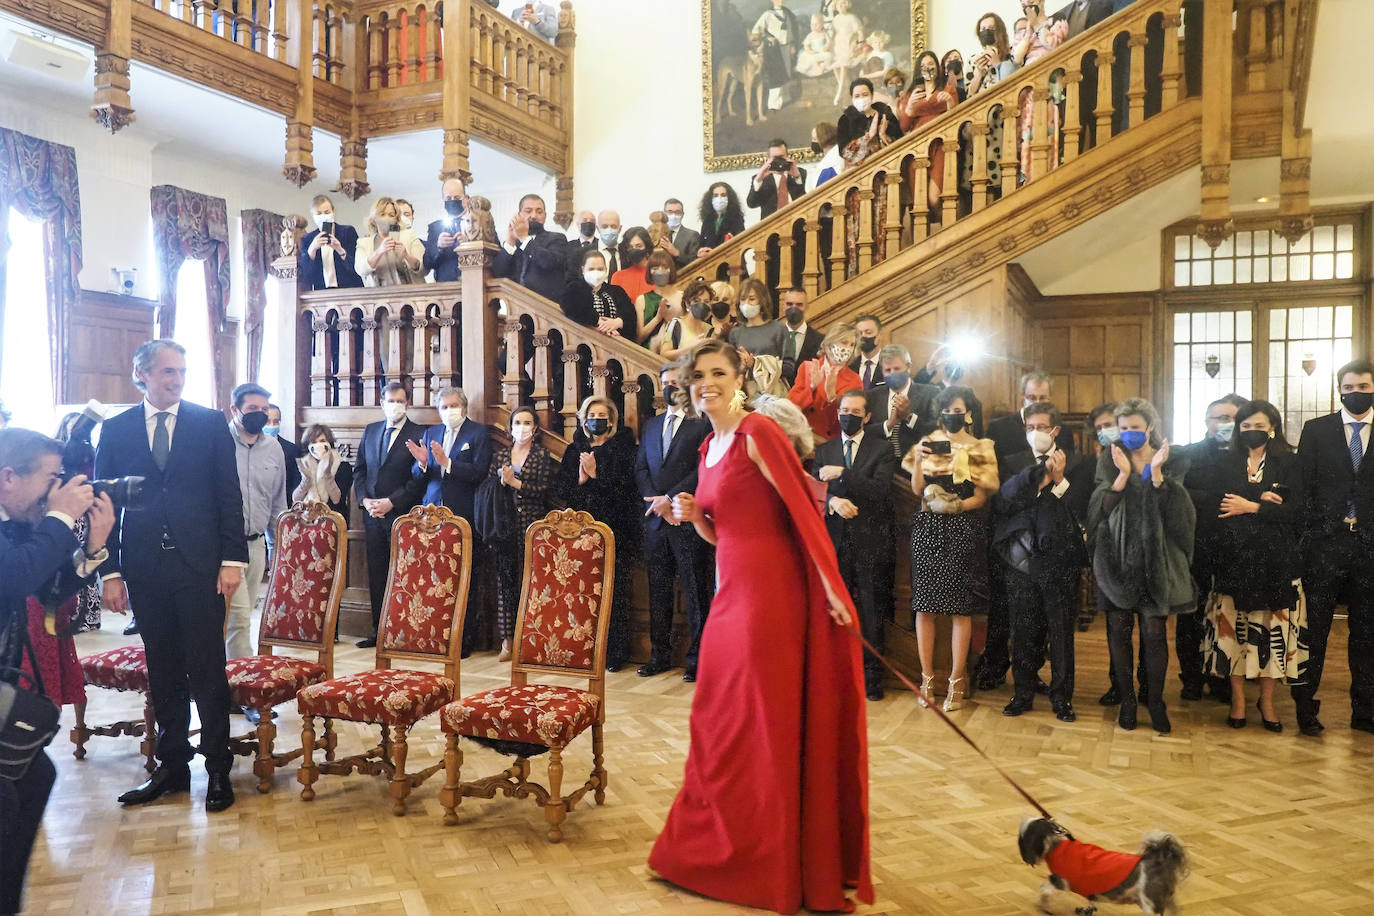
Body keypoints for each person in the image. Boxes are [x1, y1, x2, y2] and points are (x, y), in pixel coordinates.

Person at [649, 338, 871, 912]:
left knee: (763, 725)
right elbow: (722, 534)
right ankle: (720, 846)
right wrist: (695, 515)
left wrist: (829, 587)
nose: (707, 384)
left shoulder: (759, 433)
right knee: (719, 720)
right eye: (698, 376)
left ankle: (771, 863)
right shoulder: (706, 449)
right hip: (732, 593)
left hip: (773, 598)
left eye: (718, 373)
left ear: (738, 375)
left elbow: (802, 509)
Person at [95, 339, 247, 812]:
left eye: (181, 371)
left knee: (206, 669)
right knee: (163, 670)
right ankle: (173, 767)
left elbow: (228, 494)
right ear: (140, 374)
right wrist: (110, 572)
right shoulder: (117, 430)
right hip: (144, 568)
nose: (176, 380)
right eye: (167, 372)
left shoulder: (208, 423)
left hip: (200, 568)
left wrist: (231, 560)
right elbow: (104, 506)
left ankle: (218, 768)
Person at [0, 428, 113, 915]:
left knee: (33, 777)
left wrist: (92, 551)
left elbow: (44, 587)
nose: (55, 491)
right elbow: (14, 576)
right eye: (50, 480)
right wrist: (61, 516)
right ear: (9, 478)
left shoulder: (18, 524)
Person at [1087, 398, 1194, 735]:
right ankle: (1129, 699)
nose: (1129, 433)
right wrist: (1121, 477)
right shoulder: (1111, 456)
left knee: (1154, 632)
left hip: (1156, 559)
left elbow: (1180, 515)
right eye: (1123, 428)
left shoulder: (1172, 457)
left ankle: (1156, 700)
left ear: (1149, 426)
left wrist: (1158, 475)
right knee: (1118, 632)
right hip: (1117, 556)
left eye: (1135, 427)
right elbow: (1099, 508)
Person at [1203, 399, 1305, 732]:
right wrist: (1263, 503)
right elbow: (1220, 507)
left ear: (1272, 427)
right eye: (1245, 426)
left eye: (1258, 426)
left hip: (1276, 563)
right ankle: (1238, 700)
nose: (1251, 431)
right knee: (1234, 636)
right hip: (1234, 561)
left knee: (1271, 635)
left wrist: (1251, 506)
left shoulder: (1289, 463)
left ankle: (1268, 701)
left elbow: (1295, 514)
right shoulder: (1225, 462)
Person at [993, 402, 1091, 722]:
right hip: (1021, 559)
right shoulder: (1012, 462)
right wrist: (1037, 481)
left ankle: (1062, 697)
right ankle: (1022, 692)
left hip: (1061, 560)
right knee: (1023, 630)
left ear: (1055, 431)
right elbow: (1004, 502)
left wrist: (1060, 481)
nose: (1035, 432)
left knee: (1061, 632)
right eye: (1030, 427)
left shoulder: (1078, 463)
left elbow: (1082, 508)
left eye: (1042, 427)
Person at [905, 385, 998, 712]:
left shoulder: (981, 446)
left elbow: (982, 496)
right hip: (928, 528)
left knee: (961, 607)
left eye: (957, 410)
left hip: (963, 528)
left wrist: (956, 507)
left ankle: (957, 682)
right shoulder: (929, 441)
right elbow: (917, 489)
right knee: (924, 605)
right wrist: (918, 459)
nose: (951, 415)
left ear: (969, 413)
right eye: (946, 410)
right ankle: (927, 678)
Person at [1294, 359, 1374, 735]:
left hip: (1371, 547)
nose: (1356, 393)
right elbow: (1303, 486)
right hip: (1325, 544)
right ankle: (1306, 709)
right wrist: (1315, 532)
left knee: (1367, 633)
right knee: (1316, 629)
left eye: (1364, 386)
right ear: (1338, 390)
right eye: (1349, 387)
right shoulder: (1317, 430)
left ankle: (1366, 711)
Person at [813, 389, 898, 700]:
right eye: (844, 410)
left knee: (872, 611)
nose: (849, 415)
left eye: (855, 411)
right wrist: (833, 500)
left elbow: (880, 489)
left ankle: (872, 678)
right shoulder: (825, 450)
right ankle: (837, 674)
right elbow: (814, 491)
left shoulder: (882, 449)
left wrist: (844, 475)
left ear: (867, 417)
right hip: (834, 542)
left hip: (870, 541)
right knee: (836, 610)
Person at [636, 364, 714, 681]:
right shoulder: (652, 425)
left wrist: (669, 497)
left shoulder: (701, 423)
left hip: (685, 518)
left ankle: (698, 659)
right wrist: (656, 501)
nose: (670, 387)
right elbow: (641, 468)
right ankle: (659, 656)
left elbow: (702, 468)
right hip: (655, 522)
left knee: (695, 590)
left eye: (675, 382)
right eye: (664, 382)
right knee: (658, 591)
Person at [557, 395, 642, 672]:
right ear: (584, 419)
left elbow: (628, 490)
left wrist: (597, 476)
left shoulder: (624, 448)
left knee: (614, 593)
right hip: (581, 533)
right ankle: (585, 651)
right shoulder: (575, 450)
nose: (597, 419)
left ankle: (614, 653)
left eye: (603, 414)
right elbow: (563, 492)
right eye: (592, 414)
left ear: (612, 419)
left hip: (615, 530)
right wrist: (581, 481)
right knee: (583, 593)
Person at [408, 387, 492, 657]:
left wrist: (448, 463)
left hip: (464, 515)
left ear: (464, 408)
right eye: (444, 406)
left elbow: (479, 472)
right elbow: (421, 476)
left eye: (454, 405)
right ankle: (435, 635)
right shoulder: (431, 433)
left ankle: (463, 640)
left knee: (465, 578)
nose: (449, 411)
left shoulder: (477, 433)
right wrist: (422, 464)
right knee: (435, 576)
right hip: (431, 516)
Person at [1178, 394, 1247, 702]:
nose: (1224, 423)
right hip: (1196, 548)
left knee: (1228, 618)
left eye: (1230, 418)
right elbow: (1179, 497)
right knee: (1191, 616)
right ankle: (1191, 677)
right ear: (1206, 422)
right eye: (1217, 417)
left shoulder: (1248, 455)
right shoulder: (1187, 455)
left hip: (1237, 549)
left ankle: (1223, 677)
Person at [352, 380, 425, 649]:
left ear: (407, 403)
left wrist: (391, 502)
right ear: (382, 403)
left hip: (402, 515)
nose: (395, 405)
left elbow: (418, 479)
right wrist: (365, 500)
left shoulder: (419, 433)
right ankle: (378, 631)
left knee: (404, 574)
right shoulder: (371, 431)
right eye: (390, 401)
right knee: (377, 572)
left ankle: (404, 631)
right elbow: (360, 470)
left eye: (400, 400)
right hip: (372, 515)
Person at [224, 383, 287, 678]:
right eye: (252, 409)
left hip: (257, 544)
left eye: (264, 409)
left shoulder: (273, 447)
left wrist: (278, 549)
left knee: (245, 615)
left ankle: (226, 680)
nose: (259, 415)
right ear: (235, 409)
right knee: (237, 619)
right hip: (224, 548)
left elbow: (277, 501)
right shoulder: (218, 442)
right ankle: (241, 687)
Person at [486, 406, 556, 661]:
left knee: (533, 582)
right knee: (506, 582)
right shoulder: (501, 455)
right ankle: (508, 641)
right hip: (504, 525)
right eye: (518, 422)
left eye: (528, 422)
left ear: (535, 428)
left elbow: (545, 490)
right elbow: (489, 488)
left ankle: (532, 639)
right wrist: (502, 483)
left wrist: (518, 484)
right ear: (510, 427)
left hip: (532, 524)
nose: (522, 427)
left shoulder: (541, 455)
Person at [53, 411, 104, 633]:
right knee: (67, 563)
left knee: (88, 561)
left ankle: (90, 615)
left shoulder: (90, 452)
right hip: (64, 511)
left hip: (85, 511)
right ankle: (70, 612)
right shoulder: (55, 454)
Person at [964, 13, 1019, 199]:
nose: (986, 32)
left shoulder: (1009, 59)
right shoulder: (973, 60)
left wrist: (997, 65)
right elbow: (968, 96)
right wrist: (978, 73)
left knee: (999, 180)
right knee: (979, 180)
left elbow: (1009, 90)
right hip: (979, 125)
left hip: (1001, 125)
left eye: (990, 28)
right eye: (982, 29)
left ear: (999, 31)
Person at [1013, 3, 1068, 182]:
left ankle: (1047, 175)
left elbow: (1053, 44)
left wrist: (1038, 26)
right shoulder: (1023, 32)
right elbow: (1017, 57)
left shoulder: (1056, 23)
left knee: (1049, 131)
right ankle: (1029, 177)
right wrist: (1029, 33)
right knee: (1029, 133)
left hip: (1050, 87)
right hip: (1030, 90)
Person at [866, 344, 939, 467]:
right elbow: (866, 432)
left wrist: (909, 417)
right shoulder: (872, 396)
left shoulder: (931, 393)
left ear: (908, 367)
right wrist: (888, 425)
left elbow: (936, 433)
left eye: (897, 369)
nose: (892, 373)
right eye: (888, 370)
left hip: (915, 465)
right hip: (879, 465)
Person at [788, 323, 862, 442]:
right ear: (830, 342)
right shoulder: (808, 368)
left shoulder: (854, 380)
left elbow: (847, 423)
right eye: (844, 342)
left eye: (852, 345)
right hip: (801, 440)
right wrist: (812, 387)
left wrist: (831, 397)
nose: (848, 348)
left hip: (828, 444)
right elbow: (791, 407)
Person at [902, 53, 957, 208]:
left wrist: (949, 102)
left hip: (940, 144)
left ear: (938, 67)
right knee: (920, 202)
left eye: (931, 64)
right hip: (917, 147)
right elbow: (904, 127)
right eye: (923, 65)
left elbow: (956, 118)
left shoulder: (948, 89)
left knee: (934, 198)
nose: (927, 68)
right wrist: (910, 108)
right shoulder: (911, 94)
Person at [492, 194, 568, 302]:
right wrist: (510, 241)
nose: (534, 216)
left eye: (539, 211)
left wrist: (524, 238)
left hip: (547, 307)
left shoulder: (557, 238)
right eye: (528, 211)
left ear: (545, 216)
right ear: (519, 215)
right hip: (516, 306)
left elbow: (548, 262)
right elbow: (498, 272)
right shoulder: (514, 244)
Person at [988, 371, 1075, 465]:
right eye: (1032, 397)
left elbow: (1070, 467)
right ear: (1023, 397)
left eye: (1042, 398)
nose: (1037, 403)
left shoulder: (1063, 431)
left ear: (1050, 398)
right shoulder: (999, 428)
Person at [561, 248, 638, 340]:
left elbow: (630, 314)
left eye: (600, 269)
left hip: (616, 345)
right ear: (583, 269)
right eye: (591, 269)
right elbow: (570, 306)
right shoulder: (574, 288)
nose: (595, 272)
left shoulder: (617, 291)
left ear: (606, 269)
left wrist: (618, 322)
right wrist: (597, 321)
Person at [355, 196, 424, 286]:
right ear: (373, 218)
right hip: (379, 297)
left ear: (396, 219)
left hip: (410, 295)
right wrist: (379, 252)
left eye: (391, 215)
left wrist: (406, 255)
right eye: (382, 214)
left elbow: (423, 269)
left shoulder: (409, 235)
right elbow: (361, 270)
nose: (387, 218)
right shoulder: (364, 243)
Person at [299, 194, 364, 290]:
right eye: (318, 213)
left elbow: (357, 266)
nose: (323, 216)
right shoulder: (308, 239)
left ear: (333, 212)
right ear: (313, 216)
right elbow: (306, 275)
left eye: (327, 212)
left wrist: (339, 249)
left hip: (350, 289)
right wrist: (312, 249)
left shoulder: (347, 232)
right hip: (322, 292)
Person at [293, 423, 353, 521]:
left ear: (329, 443)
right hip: (304, 519)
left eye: (322, 441)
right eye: (313, 442)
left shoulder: (343, 467)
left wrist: (327, 474)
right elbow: (295, 499)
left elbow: (337, 500)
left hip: (333, 519)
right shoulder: (302, 466)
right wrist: (306, 480)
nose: (318, 446)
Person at [752, 0, 803, 112]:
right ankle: (774, 104)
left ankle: (785, 98)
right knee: (775, 75)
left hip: (787, 47)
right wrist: (767, 38)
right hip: (773, 49)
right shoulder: (767, 14)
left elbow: (791, 31)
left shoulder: (788, 14)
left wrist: (793, 44)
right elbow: (756, 31)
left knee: (786, 73)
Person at [746, 140, 807, 220]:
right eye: (775, 158)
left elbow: (806, 200)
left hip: (796, 221)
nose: (779, 161)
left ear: (787, 156)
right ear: (768, 159)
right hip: (771, 225)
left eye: (781, 157)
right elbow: (751, 204)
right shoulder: (761, 179)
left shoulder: (800, 173)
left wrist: (797, 177)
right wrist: (758, 180)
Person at [422, 177, 468, 282]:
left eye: (457, 197)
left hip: (474, 287)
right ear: (443, 200)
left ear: (465, 198)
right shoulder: (435, 228)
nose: (452, 201)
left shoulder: (478, 223)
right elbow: (427, 263)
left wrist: (469, 244)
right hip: (446, 289)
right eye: (448, 198)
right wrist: (438, 247)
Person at [777, 287, 822, 384]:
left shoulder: (820, 340)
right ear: (783, 306)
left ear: (807, 307)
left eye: (799, 305)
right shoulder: (772, 337)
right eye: (789, 304)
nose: (794, 308)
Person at [657, 286, 712, 361]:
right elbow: (664, 355)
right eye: (696, 301)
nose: (701, 305)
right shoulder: (677, 324)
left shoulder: (710, 330)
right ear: (687, 304)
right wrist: (690, 348)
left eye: (706, 302)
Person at [634, 250, 676, 346]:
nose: (660, 271)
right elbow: (639, 338)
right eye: (656, 268)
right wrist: (658, 317)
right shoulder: (642, 300)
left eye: (664, 267)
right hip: (648, 353)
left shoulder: (681, 297)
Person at [827, 0, 864, 106]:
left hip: (849, 45)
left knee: (843, 65)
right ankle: (845, 87)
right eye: (839, 4)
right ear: (836, 6)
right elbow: (832, 34)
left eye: (843, 4)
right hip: (838, 46)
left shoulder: (852, 17)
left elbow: (860, 32)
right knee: (835, 66)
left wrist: (860, 44)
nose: (841, 6)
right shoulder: (836, 19)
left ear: (847, 5)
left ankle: (839, 92)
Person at [264, 403, 301, 507]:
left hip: (284, 508)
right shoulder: (251, 448)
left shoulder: (291, 449)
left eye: (276, 422)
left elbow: (295, 483)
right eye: (267, 422)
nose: (272, 425)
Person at [697, 182, 745, 258]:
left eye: (723, 195)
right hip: (709, 264)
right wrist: (701, 251)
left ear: (729, 198)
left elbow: (741, 244)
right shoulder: (707, 221)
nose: (719, 198)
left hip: (730, 264)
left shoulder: (737, 218)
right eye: (715, 195)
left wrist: (713, 252)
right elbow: (702, 244)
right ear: (710, 199)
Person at [612, 226, 654, 303]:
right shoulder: (618, 277)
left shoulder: (657, 274)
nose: (634, 250)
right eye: (630, 247)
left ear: (647, 247)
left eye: (639, 246)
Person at [659, 198, 701, 268]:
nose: (673, 215)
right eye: (670, 212)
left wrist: (677, 253)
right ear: (664, 214)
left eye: (677, 212)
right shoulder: (657, 234)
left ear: (682, 214)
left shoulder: (692, 235)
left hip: (684, 276)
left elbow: (696, 262)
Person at [795, 13, 833, 78]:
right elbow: (806, 46)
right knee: (813, 60)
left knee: (829, 57)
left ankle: (824, 66)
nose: (814, 26)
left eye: (816, 24)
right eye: (812, 24)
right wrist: (810, 51)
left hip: (823, 51)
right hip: (814, 52)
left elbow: (829, 41)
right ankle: (818, 69)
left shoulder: (824, 33)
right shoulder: (810, 35)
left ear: (822, 25)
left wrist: (827, 46)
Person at [851, 314, 883, 389]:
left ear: (879, 335)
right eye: (859, 333)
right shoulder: (850, 366)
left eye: (868, 332)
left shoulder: (891, 364)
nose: (863, 336)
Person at [810, 120, 844, 188]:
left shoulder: (832, 164)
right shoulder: (828, 159)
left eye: (814, 139)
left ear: (824, 138)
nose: (812, 142)